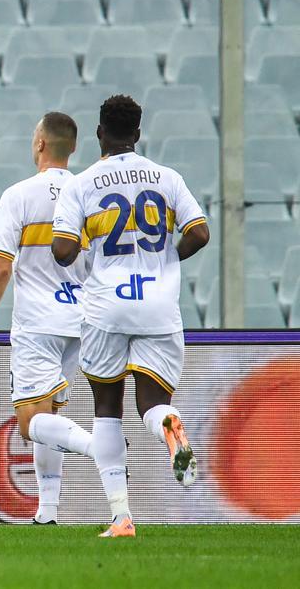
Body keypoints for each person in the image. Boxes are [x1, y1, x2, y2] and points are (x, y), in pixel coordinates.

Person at [51, 95, 209, 538]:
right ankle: (168, 425)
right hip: (159, 305)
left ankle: (121, 517)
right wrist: (166, 260)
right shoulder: (167, 177)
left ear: (99, 132)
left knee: (107, 409)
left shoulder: (82, 184)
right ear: (138, 134)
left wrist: (77, 245)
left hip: (107, 306)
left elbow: (62, 251)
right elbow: (200, 233)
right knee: (152, 403)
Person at [0, 112, 95, 525]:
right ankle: (47, 510)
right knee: (49, 418)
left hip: (38, 323)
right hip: (80, 322)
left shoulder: (20, 195)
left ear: (40, 143)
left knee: (30, 422)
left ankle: (97, 447)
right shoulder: (88, 194)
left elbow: (0, 269)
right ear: (72, 147)